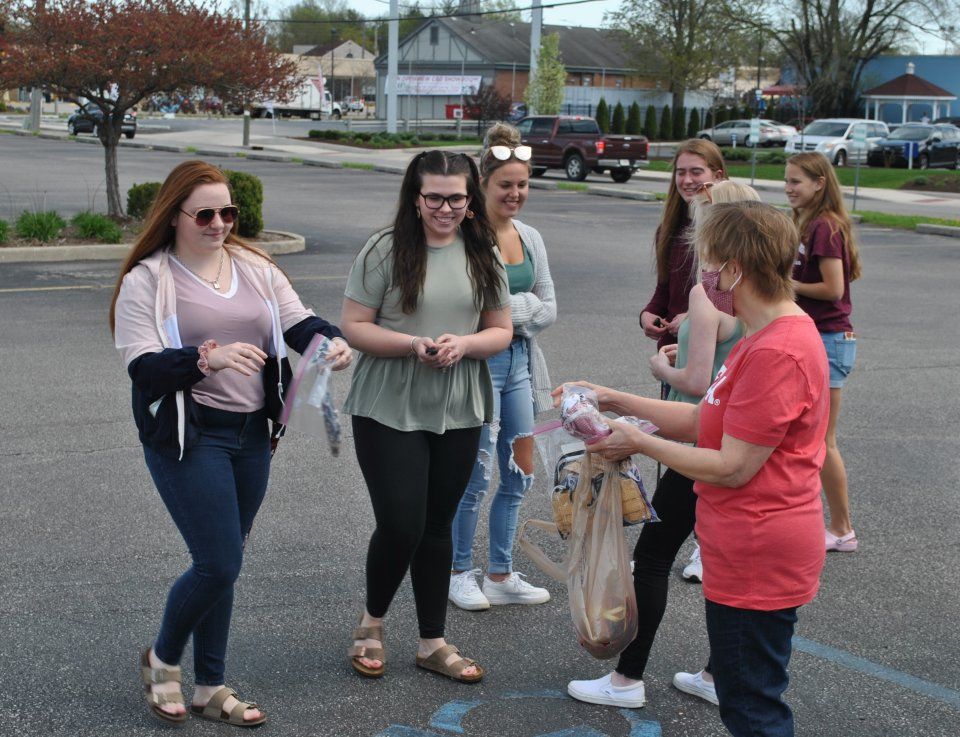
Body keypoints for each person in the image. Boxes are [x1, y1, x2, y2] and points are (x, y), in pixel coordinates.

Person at [559, 201, 829, 737]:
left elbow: (731, 466)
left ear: (735, 268)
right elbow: (702, 417)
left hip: (759, 550)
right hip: (745, 545)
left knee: (752, 707)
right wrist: (614, 400)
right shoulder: (762, 332)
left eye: (709, 265)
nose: (703, 279)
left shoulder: (779, 349)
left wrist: (639, 442)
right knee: (745, 693)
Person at [110, 160, 352, 727]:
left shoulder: (255, 266)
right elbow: (142, 365)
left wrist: (332, 341)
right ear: (174, 217)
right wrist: (205, 358)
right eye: (205, 214)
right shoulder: (149, 278)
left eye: (228, 212)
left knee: (228, 562)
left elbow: (297, 322)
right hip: (189, 435)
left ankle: (210, 685)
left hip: (252, 434)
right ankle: (163, 660)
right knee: (218, 562)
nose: (219, 223)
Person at [567, 181, 755, 710]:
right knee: (721, 563)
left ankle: (627, 679)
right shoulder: (757, 295)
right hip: (727, 436)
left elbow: (697, 382)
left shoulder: (707, 289)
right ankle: (719, 674)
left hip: (701, 441)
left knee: (652, 558)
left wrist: (661, 366)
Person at [340, 150, 512, 683]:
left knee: (437, 524)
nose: (445, 207)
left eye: (456, 197)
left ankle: (432, 641)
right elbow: (354, 325)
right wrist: (412, 343)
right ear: (415, 199)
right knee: (401, 521)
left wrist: (465, 343)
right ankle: (372, 623)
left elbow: (500, 329)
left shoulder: (482, 251)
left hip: (459, 400)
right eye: (434, 197)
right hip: (388, 400)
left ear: (470, 200)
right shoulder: (384, 249)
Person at [448, 122, 557, 611]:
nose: (515, 193)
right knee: (474, 475)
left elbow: (550, 306)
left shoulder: (530, 236)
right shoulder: (465, 238)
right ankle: (457, 572)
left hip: (520, 364)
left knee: (520, 472)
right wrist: (516, 309)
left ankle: (500, 572)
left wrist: (507, 312)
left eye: (523, 184)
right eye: (505, 185)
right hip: (477, 366)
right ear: (483, 186)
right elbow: (464, 306)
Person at [785, 152, 862, 552]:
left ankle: (843, 529)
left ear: (819, 183)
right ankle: (825, 523)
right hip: (817, 339)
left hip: (830, 339)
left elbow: (833, 289)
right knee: (811, 439)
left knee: (823, 442)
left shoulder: (825, 227)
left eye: (796, 181)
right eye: (787, 180)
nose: (788, 188)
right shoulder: (810, 223)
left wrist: (784, 285)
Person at [639, 138, 726, 351]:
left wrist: (693, 316)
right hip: (673, 351)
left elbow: (738, 297)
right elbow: (665, 290)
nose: (687, 180)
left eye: (696, 172)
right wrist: (647, 314)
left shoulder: (730, 230)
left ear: (718, 176)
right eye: (681, 172)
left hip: (715, 353)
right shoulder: (669, 229)